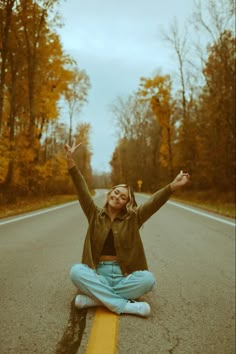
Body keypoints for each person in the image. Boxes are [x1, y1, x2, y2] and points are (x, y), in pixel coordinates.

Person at [65, 141, 190, 317]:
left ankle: (94, 299)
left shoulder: (133, 219)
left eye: (123, 197)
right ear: (109, 195)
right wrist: (71, 162)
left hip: (123, 277)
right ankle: (127, 307)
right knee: (76, 272)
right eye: (116, 193)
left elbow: (153, 203)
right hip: (98, 273)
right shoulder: (94, 214)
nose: (118, 197)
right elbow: (82, 189)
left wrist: (172, 187)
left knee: (148, 280)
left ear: (126, 203)